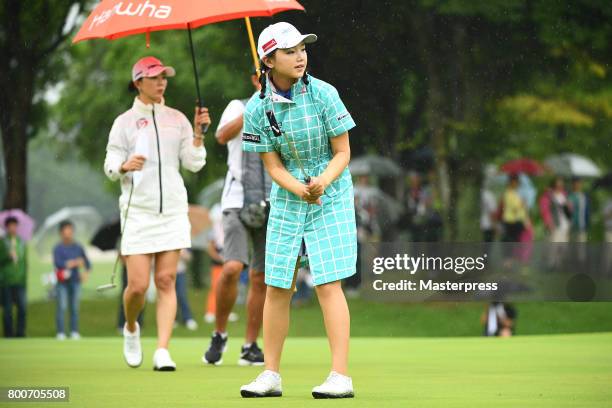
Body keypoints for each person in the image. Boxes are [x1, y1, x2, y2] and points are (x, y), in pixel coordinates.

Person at [239, 22, 356, 398]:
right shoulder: (257, 109)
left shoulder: (324, 94)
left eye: (302, 49)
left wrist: (321, 181)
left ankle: (340, 375)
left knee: (327, 281)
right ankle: (270, 374)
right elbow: (272, 166)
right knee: (277, 283)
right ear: (269, 60)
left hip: (332, 193)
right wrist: (299, 189)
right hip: (290, 197)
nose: (300, 56)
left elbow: (343, 151)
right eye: (289, 52)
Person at [103, 56, 210, 371]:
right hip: (138, 211)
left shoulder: (176, 119)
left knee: (165, 280)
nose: (161, 81)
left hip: (173, 210)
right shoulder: (124, 122)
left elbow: (193, 162)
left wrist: (199, 133)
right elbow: (110, 162)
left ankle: (162, 349)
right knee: (137, 286)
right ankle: (132, 326)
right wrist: (123, 166)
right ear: (138, 82)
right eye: (154, 77)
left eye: (164, 76)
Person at [202, 72, 268, 366]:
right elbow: (221, 136)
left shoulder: (286, 109)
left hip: (271, 199)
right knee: (231, 267)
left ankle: (250, 345)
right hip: (236, 198)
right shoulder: (238, 105)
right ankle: (220, 333)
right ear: (255, 78)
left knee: (261, 276)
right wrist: (255, 106)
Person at [53, 220, 91, 340]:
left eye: (70, 230)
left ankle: (74, 331)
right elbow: (58, 263)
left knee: (74, 307)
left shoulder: (78, 247)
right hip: (62, 282)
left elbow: (87, 263)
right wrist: (74, 262)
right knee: (62, 306)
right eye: (65, 231)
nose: (68, 233)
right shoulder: (58, 248)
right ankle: (61, 332)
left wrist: (85, 273)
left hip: (75, 281)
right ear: (61, 232)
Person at [0, 217, 27, 337]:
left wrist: (24, 279)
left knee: (22, 307)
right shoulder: (3, 242)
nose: (13, 228)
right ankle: (8, 334)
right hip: (6, 280)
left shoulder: (21, 242)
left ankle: (20, 333)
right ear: (6, 227)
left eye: (15, 225)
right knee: (8, 309)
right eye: (10, 225)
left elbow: (24, 262)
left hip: (20, 280)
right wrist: (8, 256)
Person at [175, 249, 197, 330]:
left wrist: (182, 254)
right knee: (171, 296)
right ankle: (173, 318)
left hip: (180, 273)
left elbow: (189, 257)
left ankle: (188, 318)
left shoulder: (182, 242)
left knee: (181, 295)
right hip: (167, 273)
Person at [568, 177, 590, 243]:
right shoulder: (569, 196)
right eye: (575, 183)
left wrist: (587, 223)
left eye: (579, 183)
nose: (577, 185)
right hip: (572, 226)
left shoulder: (584, 196)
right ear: (572, 185)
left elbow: (587, 211)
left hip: (582, 226)